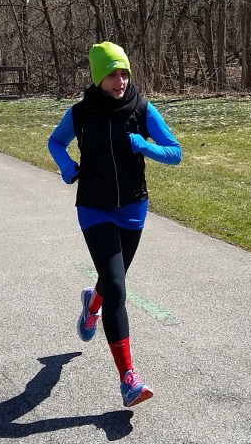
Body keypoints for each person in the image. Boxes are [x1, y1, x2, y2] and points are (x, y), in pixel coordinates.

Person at [47, 41, 182, 407]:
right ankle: (129, 380)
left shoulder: (141, 108)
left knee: (112, 280)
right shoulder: (80, 114)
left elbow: (175, 153)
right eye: (112, 74)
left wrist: (145, 146)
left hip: (133, 208)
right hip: (94, 208)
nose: (120, 80)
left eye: (124, 72)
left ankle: (92, 303)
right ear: (98, 77)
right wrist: (66, 166)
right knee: (118, 288)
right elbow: (56, 142)